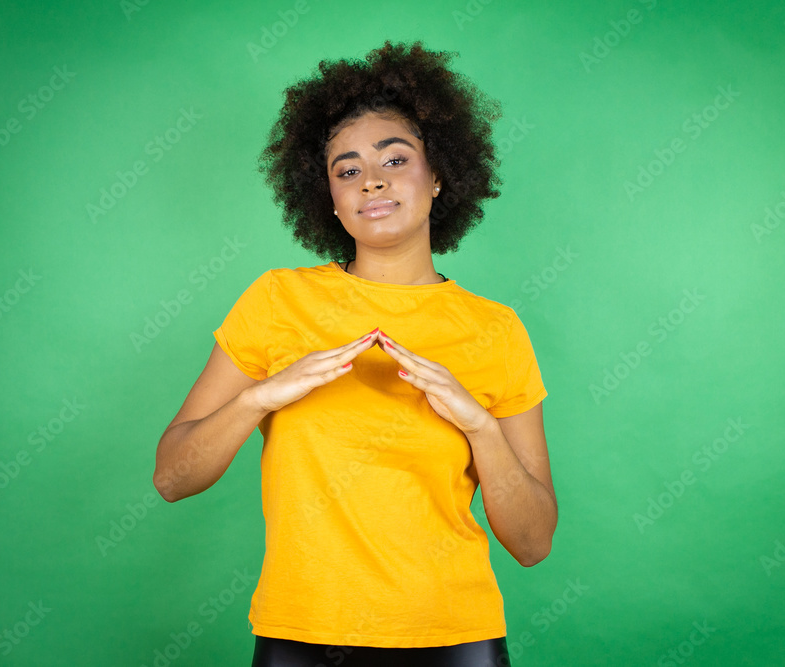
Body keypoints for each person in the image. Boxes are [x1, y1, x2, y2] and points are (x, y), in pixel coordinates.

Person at [153, 40, 557, 667]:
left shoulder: (496, 330)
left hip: (453, 640)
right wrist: (260, 397)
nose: (372, 179)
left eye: (396, 158)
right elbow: (172, 477)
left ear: (440, 173)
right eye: (347, 170)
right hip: (300, 637)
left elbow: (533, 543)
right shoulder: (277, 299)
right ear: (331, 200)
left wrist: (479, 424)